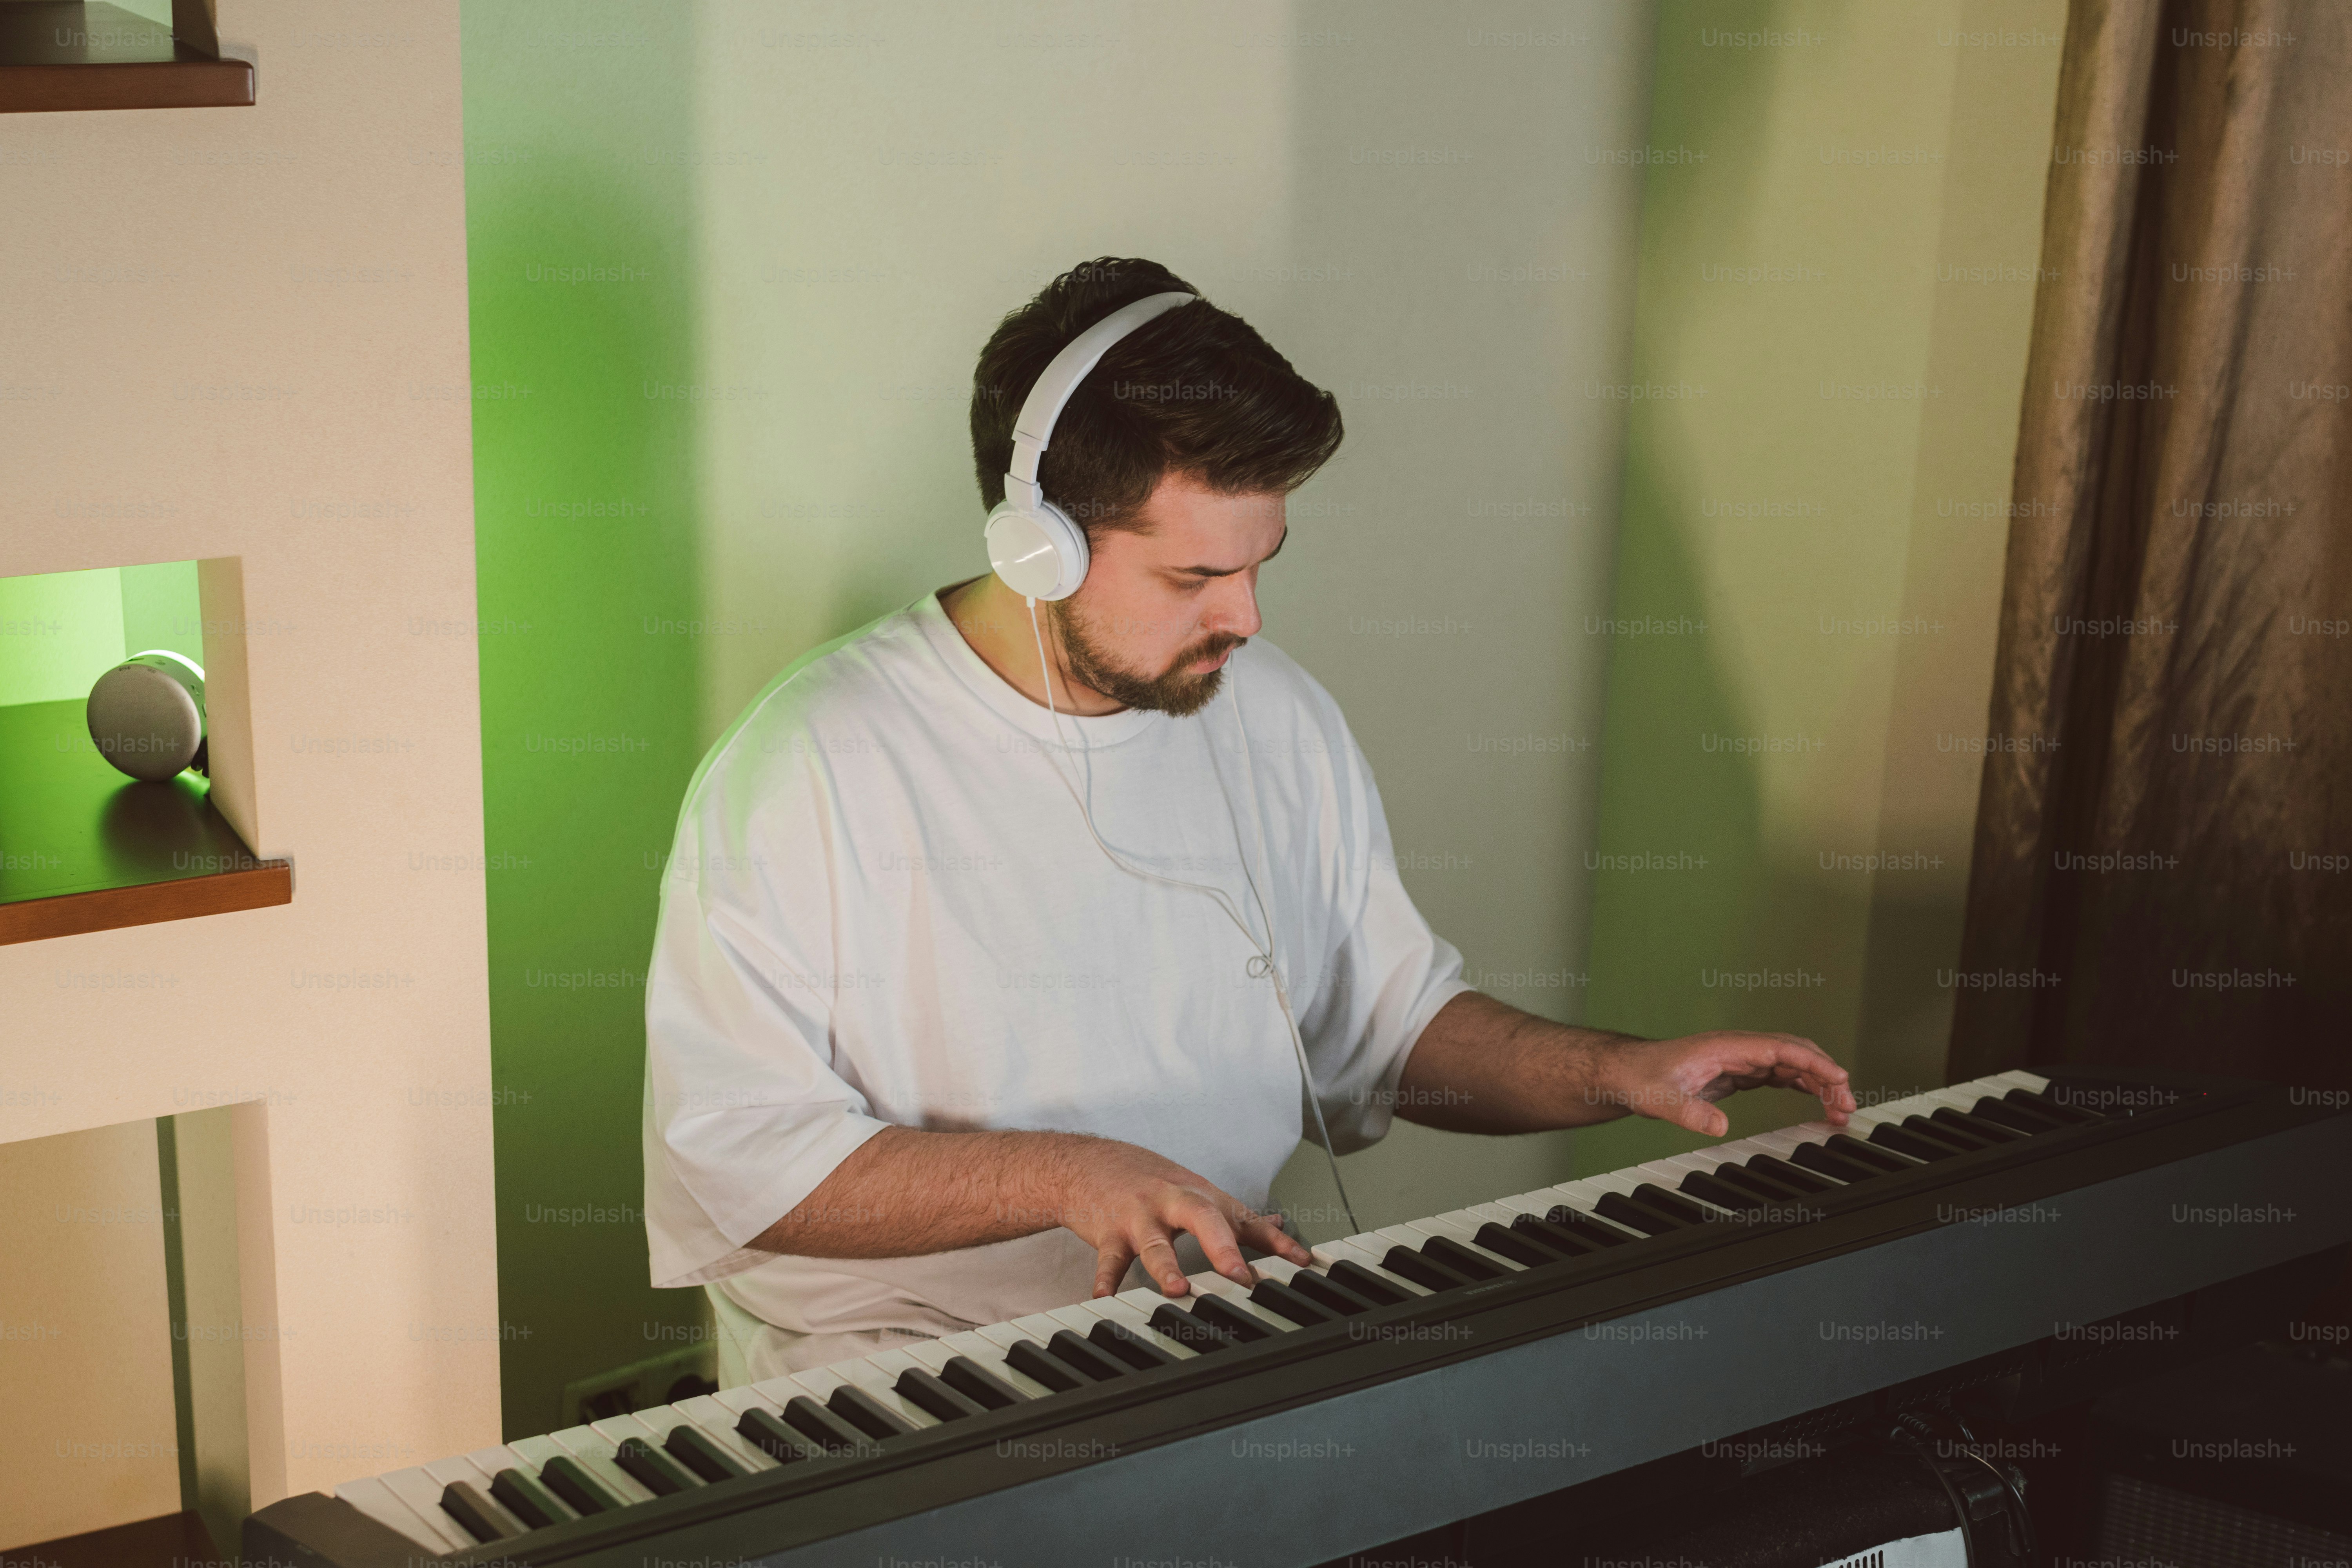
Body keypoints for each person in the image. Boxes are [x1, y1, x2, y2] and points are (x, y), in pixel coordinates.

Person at [642, 257, 1853, 1383]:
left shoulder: (1269, 713)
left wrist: (1613, 1071)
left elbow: (1383, 1026)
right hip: (900, 1377)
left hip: (1204, 1345)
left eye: (1261, 563)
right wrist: (1068, 1175)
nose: (1248, 620)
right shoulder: (810, 763)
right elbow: (741, 1161)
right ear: (1038, 551)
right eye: (1195, 579)